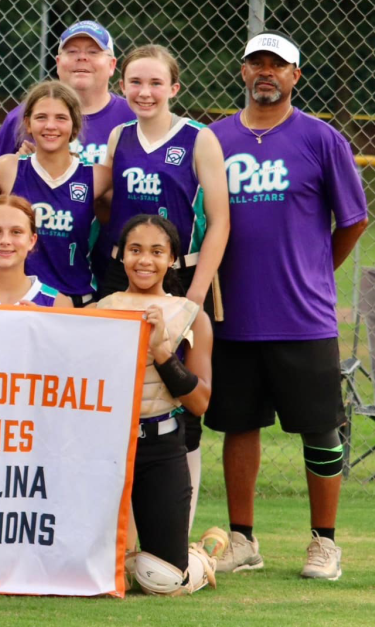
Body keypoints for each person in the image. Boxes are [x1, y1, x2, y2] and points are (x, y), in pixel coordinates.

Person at [203, 30, 368, 581]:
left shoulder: (321, 138)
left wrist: (317, 270)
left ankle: (324, 543)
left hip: (303, 315)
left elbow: (353, 220)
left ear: (296, 75)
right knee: (239, 426)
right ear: (243, 72)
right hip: (234, 314)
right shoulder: (215, 138)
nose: (266, 72)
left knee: (320, 428)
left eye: (278, 65)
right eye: (257, 63)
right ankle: (243, 540)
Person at [96, 215, 216, 596]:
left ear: (172, 259)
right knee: (93, 571)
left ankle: (198, 560)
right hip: (110, 446)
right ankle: (131, 560)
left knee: (164, 581)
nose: (144, 260)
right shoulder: (101, 309)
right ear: (121, 256)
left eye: (156, 251)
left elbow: (199, 402)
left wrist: (162, 350)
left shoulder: (191, 316)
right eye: (135, 250)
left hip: (160, 446)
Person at [97, 44, 229, 314]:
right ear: (122, 86)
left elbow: (220, 222)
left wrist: (198, 290)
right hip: (123, 271)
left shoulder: (199, 138)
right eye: (136, 82)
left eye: (156, 83)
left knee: (176, 344)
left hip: (180, 272)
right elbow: (105, 204)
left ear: (173, 89)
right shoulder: (119, 136)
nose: (145, 92)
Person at [0, 81, 107, 307]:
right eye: (41, 117)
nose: (50, 126)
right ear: (28, 123)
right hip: (18, 303)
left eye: (61, 118)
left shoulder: (98, 177)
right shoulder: (7, 169)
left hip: (76, 301)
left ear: (75, 125)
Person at [0, 20, 135, 168]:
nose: (82, 57)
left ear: (111, 65)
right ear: (58, 63)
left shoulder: (133, 117)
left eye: (93, 52)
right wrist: (16, 167)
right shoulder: (25, 115)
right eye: (72, 51)